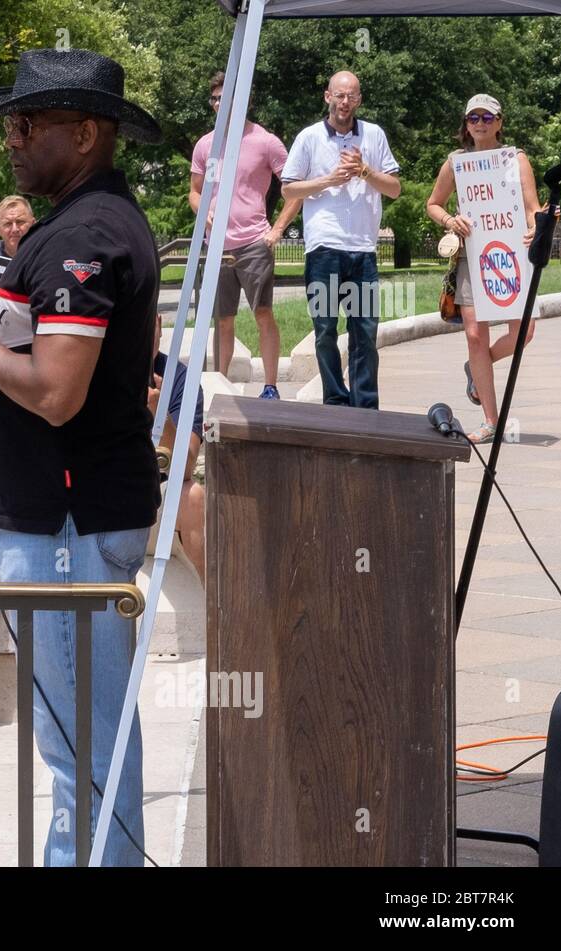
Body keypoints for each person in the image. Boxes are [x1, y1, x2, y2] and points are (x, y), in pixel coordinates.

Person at [0, 48, 162, 867]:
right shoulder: (83, 222)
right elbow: (29, 371)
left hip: (69, 526)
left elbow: (58, 391)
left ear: (87, 132)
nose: (12, 140)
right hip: (63, 518)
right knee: (81, 745)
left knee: (83, 752)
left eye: (27, 124)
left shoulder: (87, 233)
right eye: (10, 125)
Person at [425, 94, 542, 444]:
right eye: (473, 118)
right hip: (471, 256)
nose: (479, 124)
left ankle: (477, 369)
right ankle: (491, 420)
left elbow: (532, 206)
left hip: (511, 255)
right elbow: (433, 204)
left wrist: (537, 224)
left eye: (487, 118)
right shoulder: (456, 162)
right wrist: (449, 219)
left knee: (524, 332)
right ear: (466, 124)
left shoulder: (515, 158)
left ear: (499, 122)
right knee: (476, 336)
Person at [281, 70, 401, 409]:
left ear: (359, 99)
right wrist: (329, 179)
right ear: (327, 97)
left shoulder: (374, 136)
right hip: (324, 248)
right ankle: (335, 398)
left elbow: (394, 189)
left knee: (365, 331)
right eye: (339, 95)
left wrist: (365, 171)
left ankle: (365, 405)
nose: (344, 102)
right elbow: (288, 188)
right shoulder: (309, 138)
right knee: (325, 330)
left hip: (362, 249)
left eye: (351, 96)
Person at [190, 70, 302, 398]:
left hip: (255, 242)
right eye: (215, 99)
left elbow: (294, 190)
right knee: (223, 320)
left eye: (226, 98)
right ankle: (220, 388)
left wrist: (278, 229)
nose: (219, 104)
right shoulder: (205, 146)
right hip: (217, 248)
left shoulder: (266, 142)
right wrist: (203, 210)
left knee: (262, 313)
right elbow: (194, 192)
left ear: (244, 101)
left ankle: (270, 386)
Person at [149, 314, 205, 578]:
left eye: (148, 322)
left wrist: (159, 416)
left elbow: (183, 468)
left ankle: (220, 615)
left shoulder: (181, 380)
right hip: (109, 508)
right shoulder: (98, 370)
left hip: (157, 508)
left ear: (159, 323)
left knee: (194, 496)